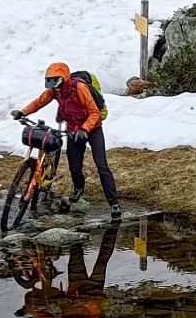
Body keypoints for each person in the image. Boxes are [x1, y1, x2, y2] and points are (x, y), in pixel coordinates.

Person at [13, 61, 121, 216]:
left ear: (63, 78)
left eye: (55, 80)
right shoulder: (54, 91)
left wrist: (85, 129)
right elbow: (39, 102)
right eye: (49, 81)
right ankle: (78, 189)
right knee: (74, 166)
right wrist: (23, 112)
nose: (52, 84)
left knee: (101, 165)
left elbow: (94, 113)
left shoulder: (80, 88)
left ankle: (114, 203)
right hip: (73, 130)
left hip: (93, 129)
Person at [14, 229, 119, 318]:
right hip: (93, 293)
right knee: (102, 260)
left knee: (75, 256)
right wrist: (84, 302)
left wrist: (29, 310)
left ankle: (79, 227)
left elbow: (45, 316)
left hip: (74, 291)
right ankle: (113, 229)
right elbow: (94, 312)